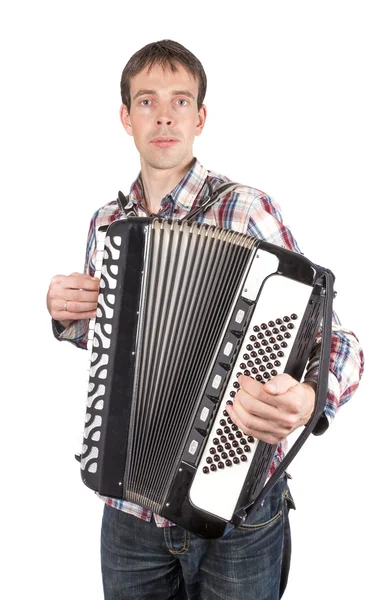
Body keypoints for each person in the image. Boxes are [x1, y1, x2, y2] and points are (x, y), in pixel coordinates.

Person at [46, 40, 364, 600]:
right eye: (146, 102)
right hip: (127, 511)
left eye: (180, 101)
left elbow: (339, 343)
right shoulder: (106, 223)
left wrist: (310, 400)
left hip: (237, 510)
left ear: (201, 117)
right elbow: (115, 345)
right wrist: (65, 313)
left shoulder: (248, 210)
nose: (164, 116)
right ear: (125, 117)